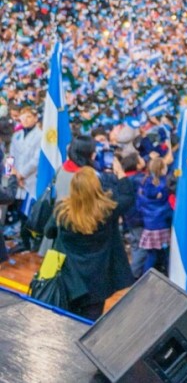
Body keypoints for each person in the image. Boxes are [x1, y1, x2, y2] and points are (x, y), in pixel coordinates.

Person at [44, 167, 134, 321]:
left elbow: (48, 232)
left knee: (65, 322)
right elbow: (128, 197)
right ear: (97, 187)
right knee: (88, 325)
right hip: (98, 282)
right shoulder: (107, 211)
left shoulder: (62, 211)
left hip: (69, 280)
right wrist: (120, 172)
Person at [8, 106, 42, 252]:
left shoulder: (41, 136)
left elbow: (36, 160)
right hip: (16, 179)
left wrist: (21, 174)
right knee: (17, 209)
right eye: (23, 117)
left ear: (35, 118)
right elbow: (10, 156)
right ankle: (19, 238)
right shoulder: (16, 135)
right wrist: (10, 173)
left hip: (30, 179)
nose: (26, 120)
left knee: (27, 212)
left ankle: (27, 241)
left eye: (29, 117)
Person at [137, 156, 172, 274]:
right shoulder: (163, 186)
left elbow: (139, 205)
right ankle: (169, 276)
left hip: (149, 226)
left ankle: (145, 277)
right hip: (161, 225)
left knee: (151, 255)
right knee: (166, 255)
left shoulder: (143, 183)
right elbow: (167, 207)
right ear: (161, 169)